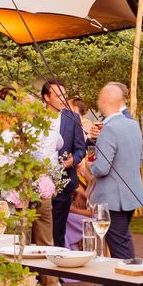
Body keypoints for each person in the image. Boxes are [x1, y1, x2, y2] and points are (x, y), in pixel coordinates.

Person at [84, 82, 143, 286]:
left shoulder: (110, 129)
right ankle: (118, 285)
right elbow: (136, 157)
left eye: (100, 98)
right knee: (121, 240)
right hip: (130, 193)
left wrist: (89, 163)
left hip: (112, 196)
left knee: (120, 244)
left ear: (105, 101)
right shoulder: (132, 124)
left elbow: (102, 168)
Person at [42, 80, 87, 248]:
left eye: (64, 95)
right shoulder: (35, 118)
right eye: (58, 95)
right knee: (40, 231)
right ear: (47, 97)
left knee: (58, 231)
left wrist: (73, 160)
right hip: (38, 185)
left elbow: (80, 148)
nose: (62, 99)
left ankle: (58, 272)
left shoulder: (72, 117)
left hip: (64, 182)